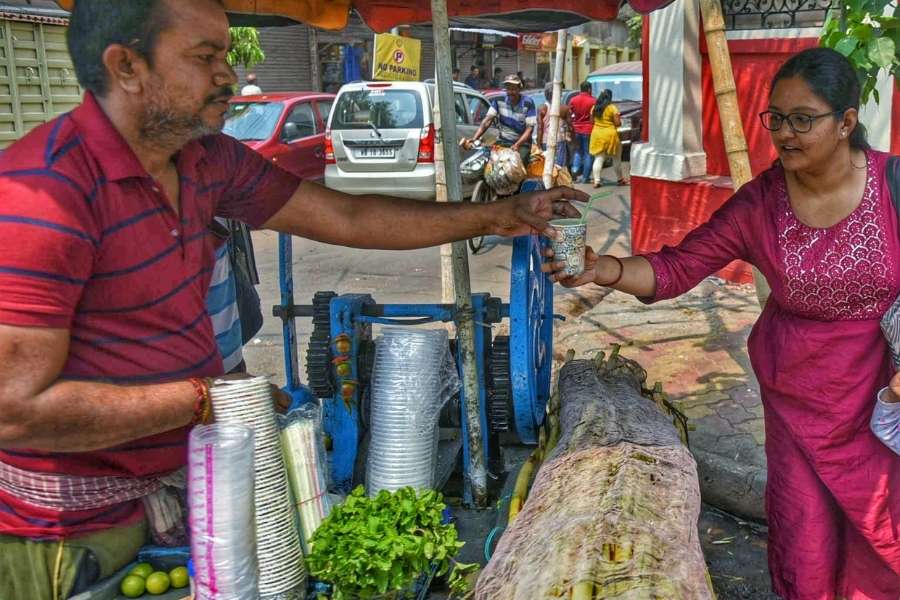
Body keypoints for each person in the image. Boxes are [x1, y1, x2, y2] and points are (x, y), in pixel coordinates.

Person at [0, 1, 586, 597]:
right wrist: (204, 399)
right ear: (126, 66)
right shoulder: (43, 196)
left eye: (225, 54)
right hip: (72, 532)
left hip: (196, 489)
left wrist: (499, 214)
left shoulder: (206, 160)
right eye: (205, 57)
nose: (228, 74)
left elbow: (348, 216)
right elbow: (14, 409)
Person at [545, 47, 900, 599]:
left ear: (846, 121)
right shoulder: (760, 203)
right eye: (775, 118)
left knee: (882, 533)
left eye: (802, 119)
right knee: (806, 538)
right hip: (798, 398)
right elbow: (677, 267)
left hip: (882, 399)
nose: (784, 133)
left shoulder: (893, 184)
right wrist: (603, 269)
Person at [466, 74, 536, 166]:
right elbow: (487, 121)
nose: (510, 92)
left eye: (513, 89)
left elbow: (529, 129)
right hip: (503, 141)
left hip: (522, 144)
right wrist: (475, 138)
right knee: (489, 164)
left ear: (519, 89)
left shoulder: (528, 103)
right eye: (508, 89)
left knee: (515, 167)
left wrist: (517, 145)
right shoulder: (498, 100)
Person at [588, 89, 627, 187]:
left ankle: (597, 181)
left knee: (599, 158)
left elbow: (591, 121)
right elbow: (617, 123)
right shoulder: (612, 108)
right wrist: (619, 122)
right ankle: (620, 179)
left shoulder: (594, 108)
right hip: (610, 136)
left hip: (597, 135)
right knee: (616, 158)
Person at [536, 82, 574, 168]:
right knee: (559, 167)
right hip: (559, 141)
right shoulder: (564, 108)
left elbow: (540, 128)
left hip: (545, 141)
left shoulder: (542, 108)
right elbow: (570, 127)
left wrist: (538, 145)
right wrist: (572, 140)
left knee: (547, 166)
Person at [567, 81, 596, 183]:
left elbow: (569, 114)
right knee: (588, 153)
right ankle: (585, 177)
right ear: (589, 89)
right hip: (588, 129)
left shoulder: (573, 100)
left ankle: (574, 171)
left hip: (576, 129)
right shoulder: (593, 101)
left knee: (578, 152)